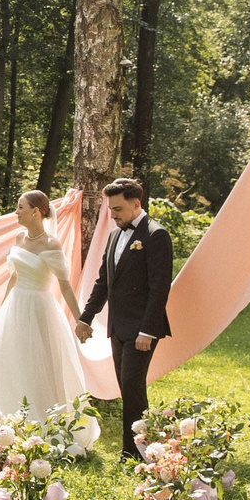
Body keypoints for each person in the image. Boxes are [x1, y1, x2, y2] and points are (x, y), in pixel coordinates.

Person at [0, 189, 88, 454]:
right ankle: (6, 422)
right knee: (10, 362)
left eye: (20, 207)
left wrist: (81, 320)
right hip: (15, 307)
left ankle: (41, 424)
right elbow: (13, 277)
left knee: (37, 363)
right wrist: (0, 312)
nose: (16, 212)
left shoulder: (51, 244)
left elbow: (65, 286)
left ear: (36, 212)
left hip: (38, 309)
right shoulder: (19, 238)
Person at [79, 177, 175, 461]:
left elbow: (159, 289)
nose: (113, 215)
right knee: (128, 388)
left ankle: (133, 453)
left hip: (142, 329)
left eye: (118, 209)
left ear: (136, 204)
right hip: (118, 327)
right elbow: (103, 282)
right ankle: (148, 447)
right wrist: (86, 318)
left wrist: (148, 330)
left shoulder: (156, 235)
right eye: (110, 209)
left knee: (132, 388)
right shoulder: (114, 236)